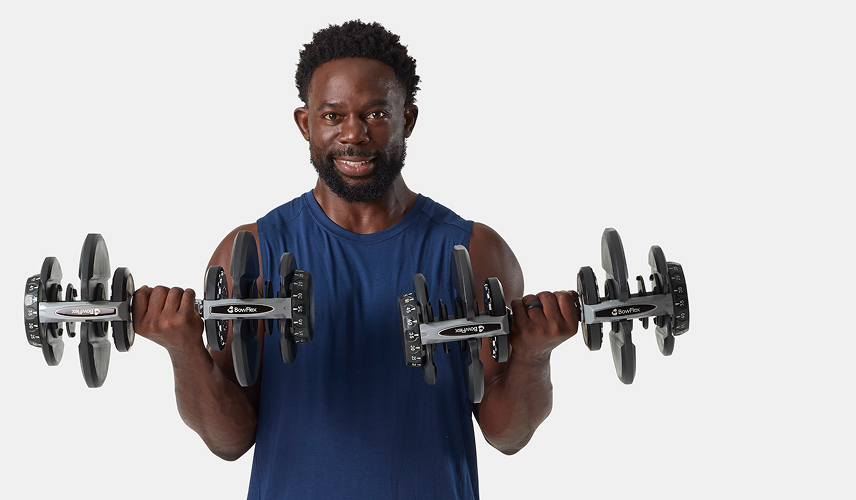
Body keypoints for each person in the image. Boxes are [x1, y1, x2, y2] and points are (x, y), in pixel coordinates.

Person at [132, 20, 580, 499]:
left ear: (407, 119)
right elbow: (229, 441)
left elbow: (506, 435)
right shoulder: (252, 252)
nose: (353, 134)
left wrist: (534, 355)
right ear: (305, 123)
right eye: (332, 115)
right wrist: (183, 349)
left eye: (375, 113)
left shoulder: (474, 251)